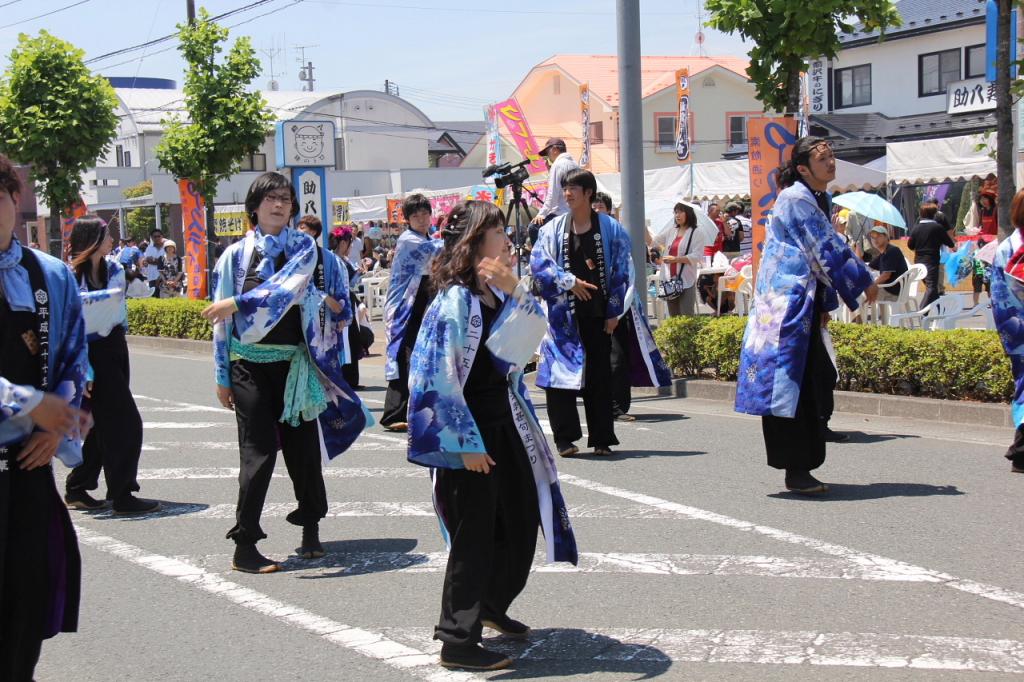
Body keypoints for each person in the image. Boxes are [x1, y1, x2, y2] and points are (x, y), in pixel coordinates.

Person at [407, 200, 578, 671]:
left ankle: (491, 603)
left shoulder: (495, 293)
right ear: (473, 240)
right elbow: (432, 378)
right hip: (470, 426)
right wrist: (463, 446)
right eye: (497, 229)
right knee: (475, 535)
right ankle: (457, 639)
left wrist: (517, 290)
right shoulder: (454, 299)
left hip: (506, 418)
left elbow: (529, 345)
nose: (505, 238)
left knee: (522, 520)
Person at [200, 172, 371, 574]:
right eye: (270, 198)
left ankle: (310, 525)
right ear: (254, 206)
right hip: (249, 365)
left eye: (285, 199)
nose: (278, 205)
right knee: (256, 453)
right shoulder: (234, 258)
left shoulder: (311, 253)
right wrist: (222, 375)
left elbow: (321, 303)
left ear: (294, 207)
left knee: (303, 454)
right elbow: (220, 324)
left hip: (298, 364)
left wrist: (243, 301)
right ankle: (245, 543)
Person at [735, 137, 876, 494]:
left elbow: (818, 257)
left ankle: (803, 463)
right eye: (823, 158)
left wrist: (825, 305)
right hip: (784, 306)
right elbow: (825, 247)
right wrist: (861, 281)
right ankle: (796, 468)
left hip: (801, 302)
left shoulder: (818, 198)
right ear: (802, 168)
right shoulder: (796, 198)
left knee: (811, 380)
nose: (831, 163)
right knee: (791, 386)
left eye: (832, 157)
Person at [0, 153, 90, 680]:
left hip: (29, 469)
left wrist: (57, 426)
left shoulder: (50, 274)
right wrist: (33, 405)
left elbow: (75, 358)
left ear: (15, 199)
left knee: (25, 613)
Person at [531, 168, 672, 458]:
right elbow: (539, 264)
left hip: (597, 313)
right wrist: (570, 282)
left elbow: (623, 270)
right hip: (562, 317)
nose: (568, 194)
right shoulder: (552, 230)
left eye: (573, 189)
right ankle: (565, 439)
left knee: (599, 376)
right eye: (565, 188)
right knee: (560, 377)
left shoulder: (610, 228)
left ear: (588, 193)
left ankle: (602, 437)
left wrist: (614, 312)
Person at [64, 217, 159, 515]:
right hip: (87, 351)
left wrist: (138, 276)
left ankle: (78, 487)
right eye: (106, 235)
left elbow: (141, 291)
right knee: (126, 424)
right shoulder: (69, 276)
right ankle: (122, 494)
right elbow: (69, 323)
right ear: (92, 239)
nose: (112, 239)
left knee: (101, 424)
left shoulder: (116, 268)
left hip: (115, 346)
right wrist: (84, 369)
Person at [381, 193, 442, 432]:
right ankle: (393, 412)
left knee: (420, 356)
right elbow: (438, 252)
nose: (422, 219)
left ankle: (417, 409)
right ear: (407, 219)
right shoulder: (410, 240)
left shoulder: (426, 236)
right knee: (403, 356)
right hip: (404, 308)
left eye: (425, 214)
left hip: (422, 303)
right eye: (416, 216)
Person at [989, 189, 1024, 474]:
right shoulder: (1009, 248)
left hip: (1014, 326)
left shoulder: (1007, 247)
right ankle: (1020, 450)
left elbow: (997, 296)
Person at [593, 192, 634, 421]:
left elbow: (628, 273)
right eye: (594, 206)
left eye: (601, 206)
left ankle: (618, 406)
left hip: (617, 307)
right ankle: (602, 406)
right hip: (591, 307)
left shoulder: (617, 232)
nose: (597, 210)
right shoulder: (580, 232)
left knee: (617, 357)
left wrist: (618, 311)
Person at [647, 202, 708, 317]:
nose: (677, 215)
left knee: (687, 316)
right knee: (673, 316)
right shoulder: (672, 231)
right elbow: (653, 241)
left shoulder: (697, 232)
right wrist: (644, 225)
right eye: (675, 212)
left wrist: (676, 259)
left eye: (680, 211)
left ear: (689, 213)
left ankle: (688, 336)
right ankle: (676, 336)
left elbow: (697, 257)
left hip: (686, 280)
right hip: (669, 279)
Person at [330, 226, 366, 389]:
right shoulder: (332, 259)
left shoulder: (344, 260)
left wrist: (359, 273)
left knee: (351, 340)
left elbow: (350, 284)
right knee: (343, 341)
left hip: (347, 303)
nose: (350, 247)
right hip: (339, 305)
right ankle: (345, 379)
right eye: (349, 243)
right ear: (343, 242)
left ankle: (351, 380)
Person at [908, 201, 955, 308]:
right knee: (932, 288)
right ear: (934, 214)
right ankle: (922, 313)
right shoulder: (937, 228)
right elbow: (950, 243)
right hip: (931, 262)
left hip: (918, 262)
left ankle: (940, 311)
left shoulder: (916, 228)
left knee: (932, 289)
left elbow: (910, 245)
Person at [531, 137, 579, 227]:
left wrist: (542, 214)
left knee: (533, 227)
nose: (548, 157)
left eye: (547, 153)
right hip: (575, 213)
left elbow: (552, 194)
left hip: (561, 213)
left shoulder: (557, 164)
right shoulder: (575, 164)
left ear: (555, 150)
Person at [868, 225, 908, 303]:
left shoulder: (892, 251)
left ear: (886, 237)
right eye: (872, 236)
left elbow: (886, 275)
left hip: (893, 291)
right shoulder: (883, 253)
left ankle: (862, 315)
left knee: (861, 295)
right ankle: (880, 315)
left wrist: (872, 285)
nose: (875, 239)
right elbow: (867, 268)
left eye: (878, 235)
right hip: (889, 288)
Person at [142, 229, 166, 297]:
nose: (157, 238)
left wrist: (154, 260)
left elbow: (167, 261)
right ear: (152, 238)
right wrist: (160, 261)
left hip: (164, 278)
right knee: (154, 299)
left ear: (162, 236)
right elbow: (148, 260)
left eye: (159, 236)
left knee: (165, 300)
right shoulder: (149, 248)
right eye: (155, 236)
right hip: (152, 278)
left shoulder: (167, 247)